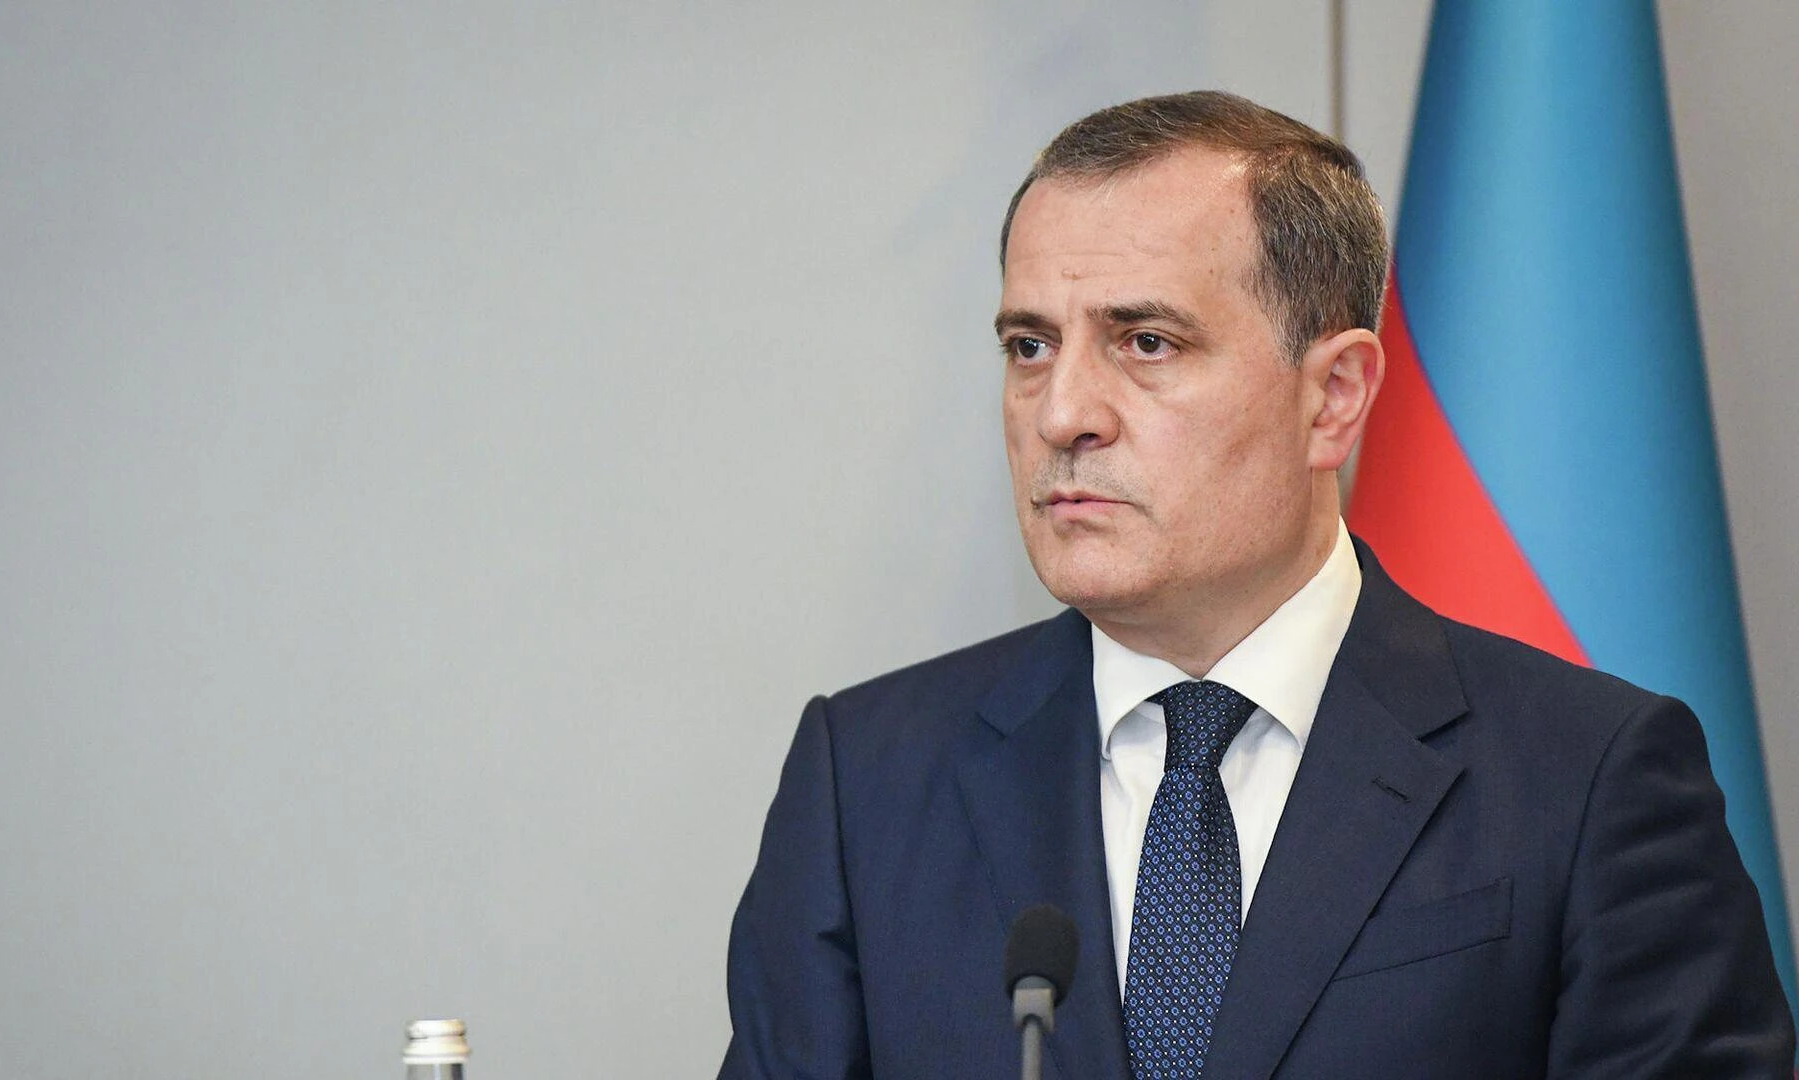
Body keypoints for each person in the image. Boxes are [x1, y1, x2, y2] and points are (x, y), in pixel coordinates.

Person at [717, 91, 1795, 1079]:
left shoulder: (1588, 780)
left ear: (1334, 397)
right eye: (1029, 346)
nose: (1062, 414)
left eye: (1146, 342)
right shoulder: (865, 785)